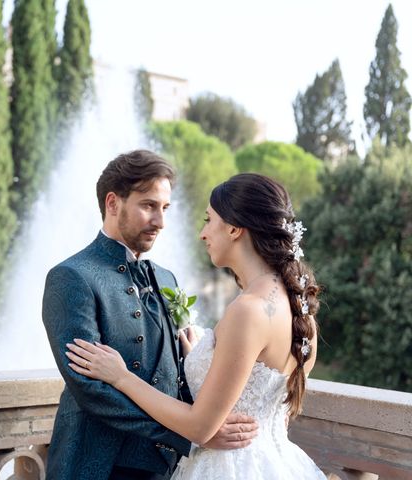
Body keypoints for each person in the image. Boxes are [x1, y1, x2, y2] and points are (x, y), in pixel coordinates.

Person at [66, 173, 327, 479]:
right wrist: (200, 354)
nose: (203, 233)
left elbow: (201, 427)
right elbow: (272, 411)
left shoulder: (247, 310)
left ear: (234, 228)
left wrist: (121, 377)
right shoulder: (300, 309)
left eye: (208, 220)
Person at [42, 151, 259, 480]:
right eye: (149, 206)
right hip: (95, 467)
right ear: (113, 203)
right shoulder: (71, 276)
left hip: (164, 469)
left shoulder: (167, 278)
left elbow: (175, 375)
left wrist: (204, 414)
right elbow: (90, 389)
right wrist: (188, 434)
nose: (160, 221)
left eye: (165, 208)